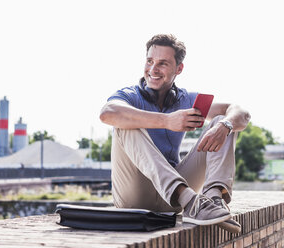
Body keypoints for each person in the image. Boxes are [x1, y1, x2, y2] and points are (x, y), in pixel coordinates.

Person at [99, 34, 251, 233]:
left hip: (175, 201)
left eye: (162, 63)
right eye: (150, 61)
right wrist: (167, 121)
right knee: (124, 124)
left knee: (222, 122)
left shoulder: (185, 99)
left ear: (179, 69)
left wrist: (225, 126)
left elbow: (241, 112)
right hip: (135, 198)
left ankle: (213, 200)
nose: (153, 69)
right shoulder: (130, 95)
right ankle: (190, 200)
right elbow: (107, 113)